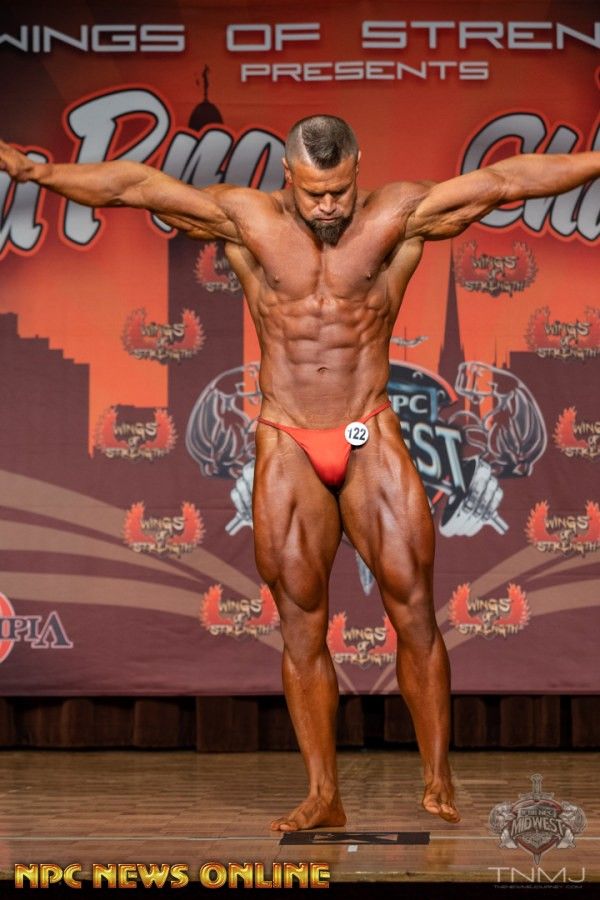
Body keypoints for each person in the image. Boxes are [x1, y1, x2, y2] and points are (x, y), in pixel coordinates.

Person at [1, 117, 597, 831]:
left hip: (366, 428)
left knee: (413, 608)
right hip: (286, 436)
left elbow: (505, 181)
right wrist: (37, 173)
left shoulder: (396, 216)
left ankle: (438, 775)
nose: (329, 206)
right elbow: (133, 186)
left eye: (339, 190)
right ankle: (323, 794)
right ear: (288, 176)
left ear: (358, 167)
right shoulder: (246, 220)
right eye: (315, 193)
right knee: (300, 622)